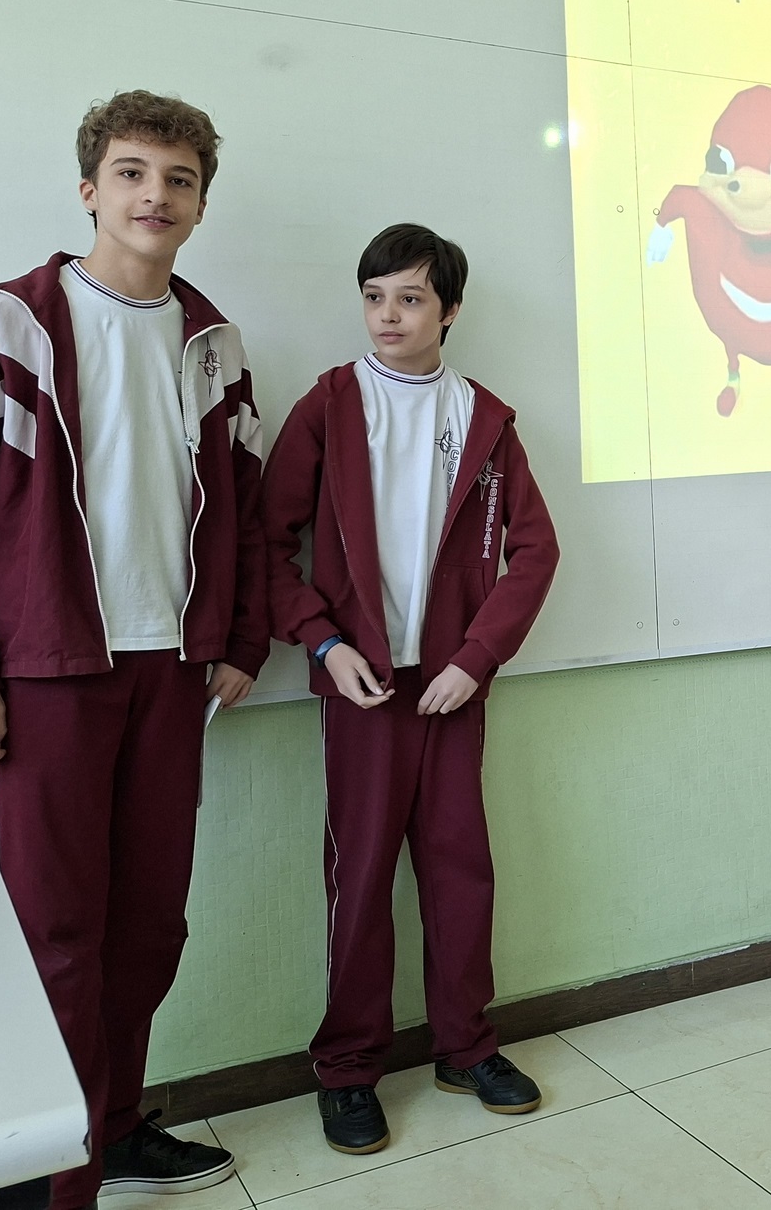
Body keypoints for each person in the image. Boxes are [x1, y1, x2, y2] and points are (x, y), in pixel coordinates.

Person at [0, 91, 268, 1209]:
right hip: (50, 672)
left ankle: (112, 1128)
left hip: (174, 673)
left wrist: (240, 639)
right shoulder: (12, 322)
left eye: (181, 179)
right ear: (90, 188)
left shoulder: (215, 342)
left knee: (146, 929)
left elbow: (246, 514)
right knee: (54, 935)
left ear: (201, 203)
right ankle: (58, 1182)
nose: (157, 195)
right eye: (134, 172)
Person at [261, 223, 560, 1155]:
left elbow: (534, 551)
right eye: (375, 297)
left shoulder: (486, 418)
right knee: (358, 878)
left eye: (412, 298)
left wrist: (476, 657)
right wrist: (321, 643)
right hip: (362, 689)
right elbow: (264, 547)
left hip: (450, 689)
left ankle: (466, 1047)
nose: (389, 315)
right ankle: (349, 1068)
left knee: (461, 868)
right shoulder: (328, 406)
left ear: (450, 311)